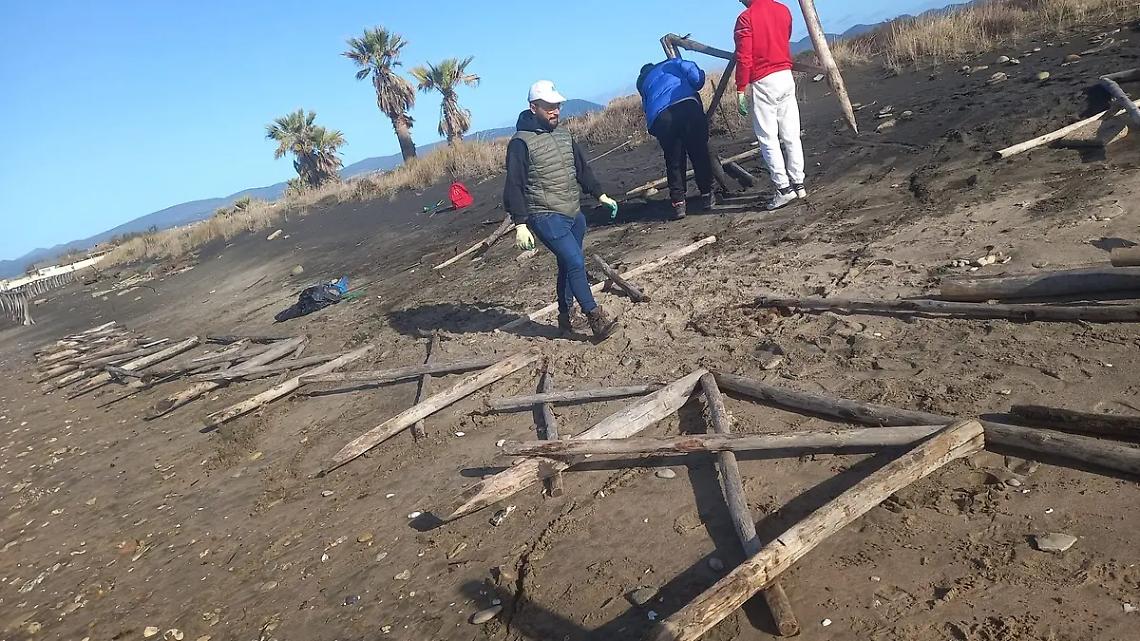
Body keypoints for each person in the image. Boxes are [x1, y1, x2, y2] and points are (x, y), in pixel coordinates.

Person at [504, 80, 620, 340]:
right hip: (544, 215)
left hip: (573, 213)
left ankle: (565, 317)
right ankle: (595, 318)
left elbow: (581, 169)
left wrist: (600, 194)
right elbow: (514, 184)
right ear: (534, 108)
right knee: (576, 261)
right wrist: (520, 223)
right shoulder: (520, 143)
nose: (555, 111)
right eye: (549, 106)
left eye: (557, 105)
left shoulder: (564, 135)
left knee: (568, 265)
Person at [734, 0, 807, 211]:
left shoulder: (745, 18)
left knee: (768, 138)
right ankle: (798, 183)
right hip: (785, 75)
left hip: (764, 79)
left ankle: (783, 188)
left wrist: (740, 88)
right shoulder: (783, 9)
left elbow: (744, 56)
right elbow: (786, 35)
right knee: (791, 134)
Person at [637, 58, 716, 220]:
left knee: (674, 161)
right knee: (699, 153)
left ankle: (679, 203)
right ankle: (707, 195)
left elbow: (647, 108)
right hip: (687, 107)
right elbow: (695, 74)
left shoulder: (644, 83)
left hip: (662, 117)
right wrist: (698, 80)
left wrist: (657, 130)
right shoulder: (672, 63)